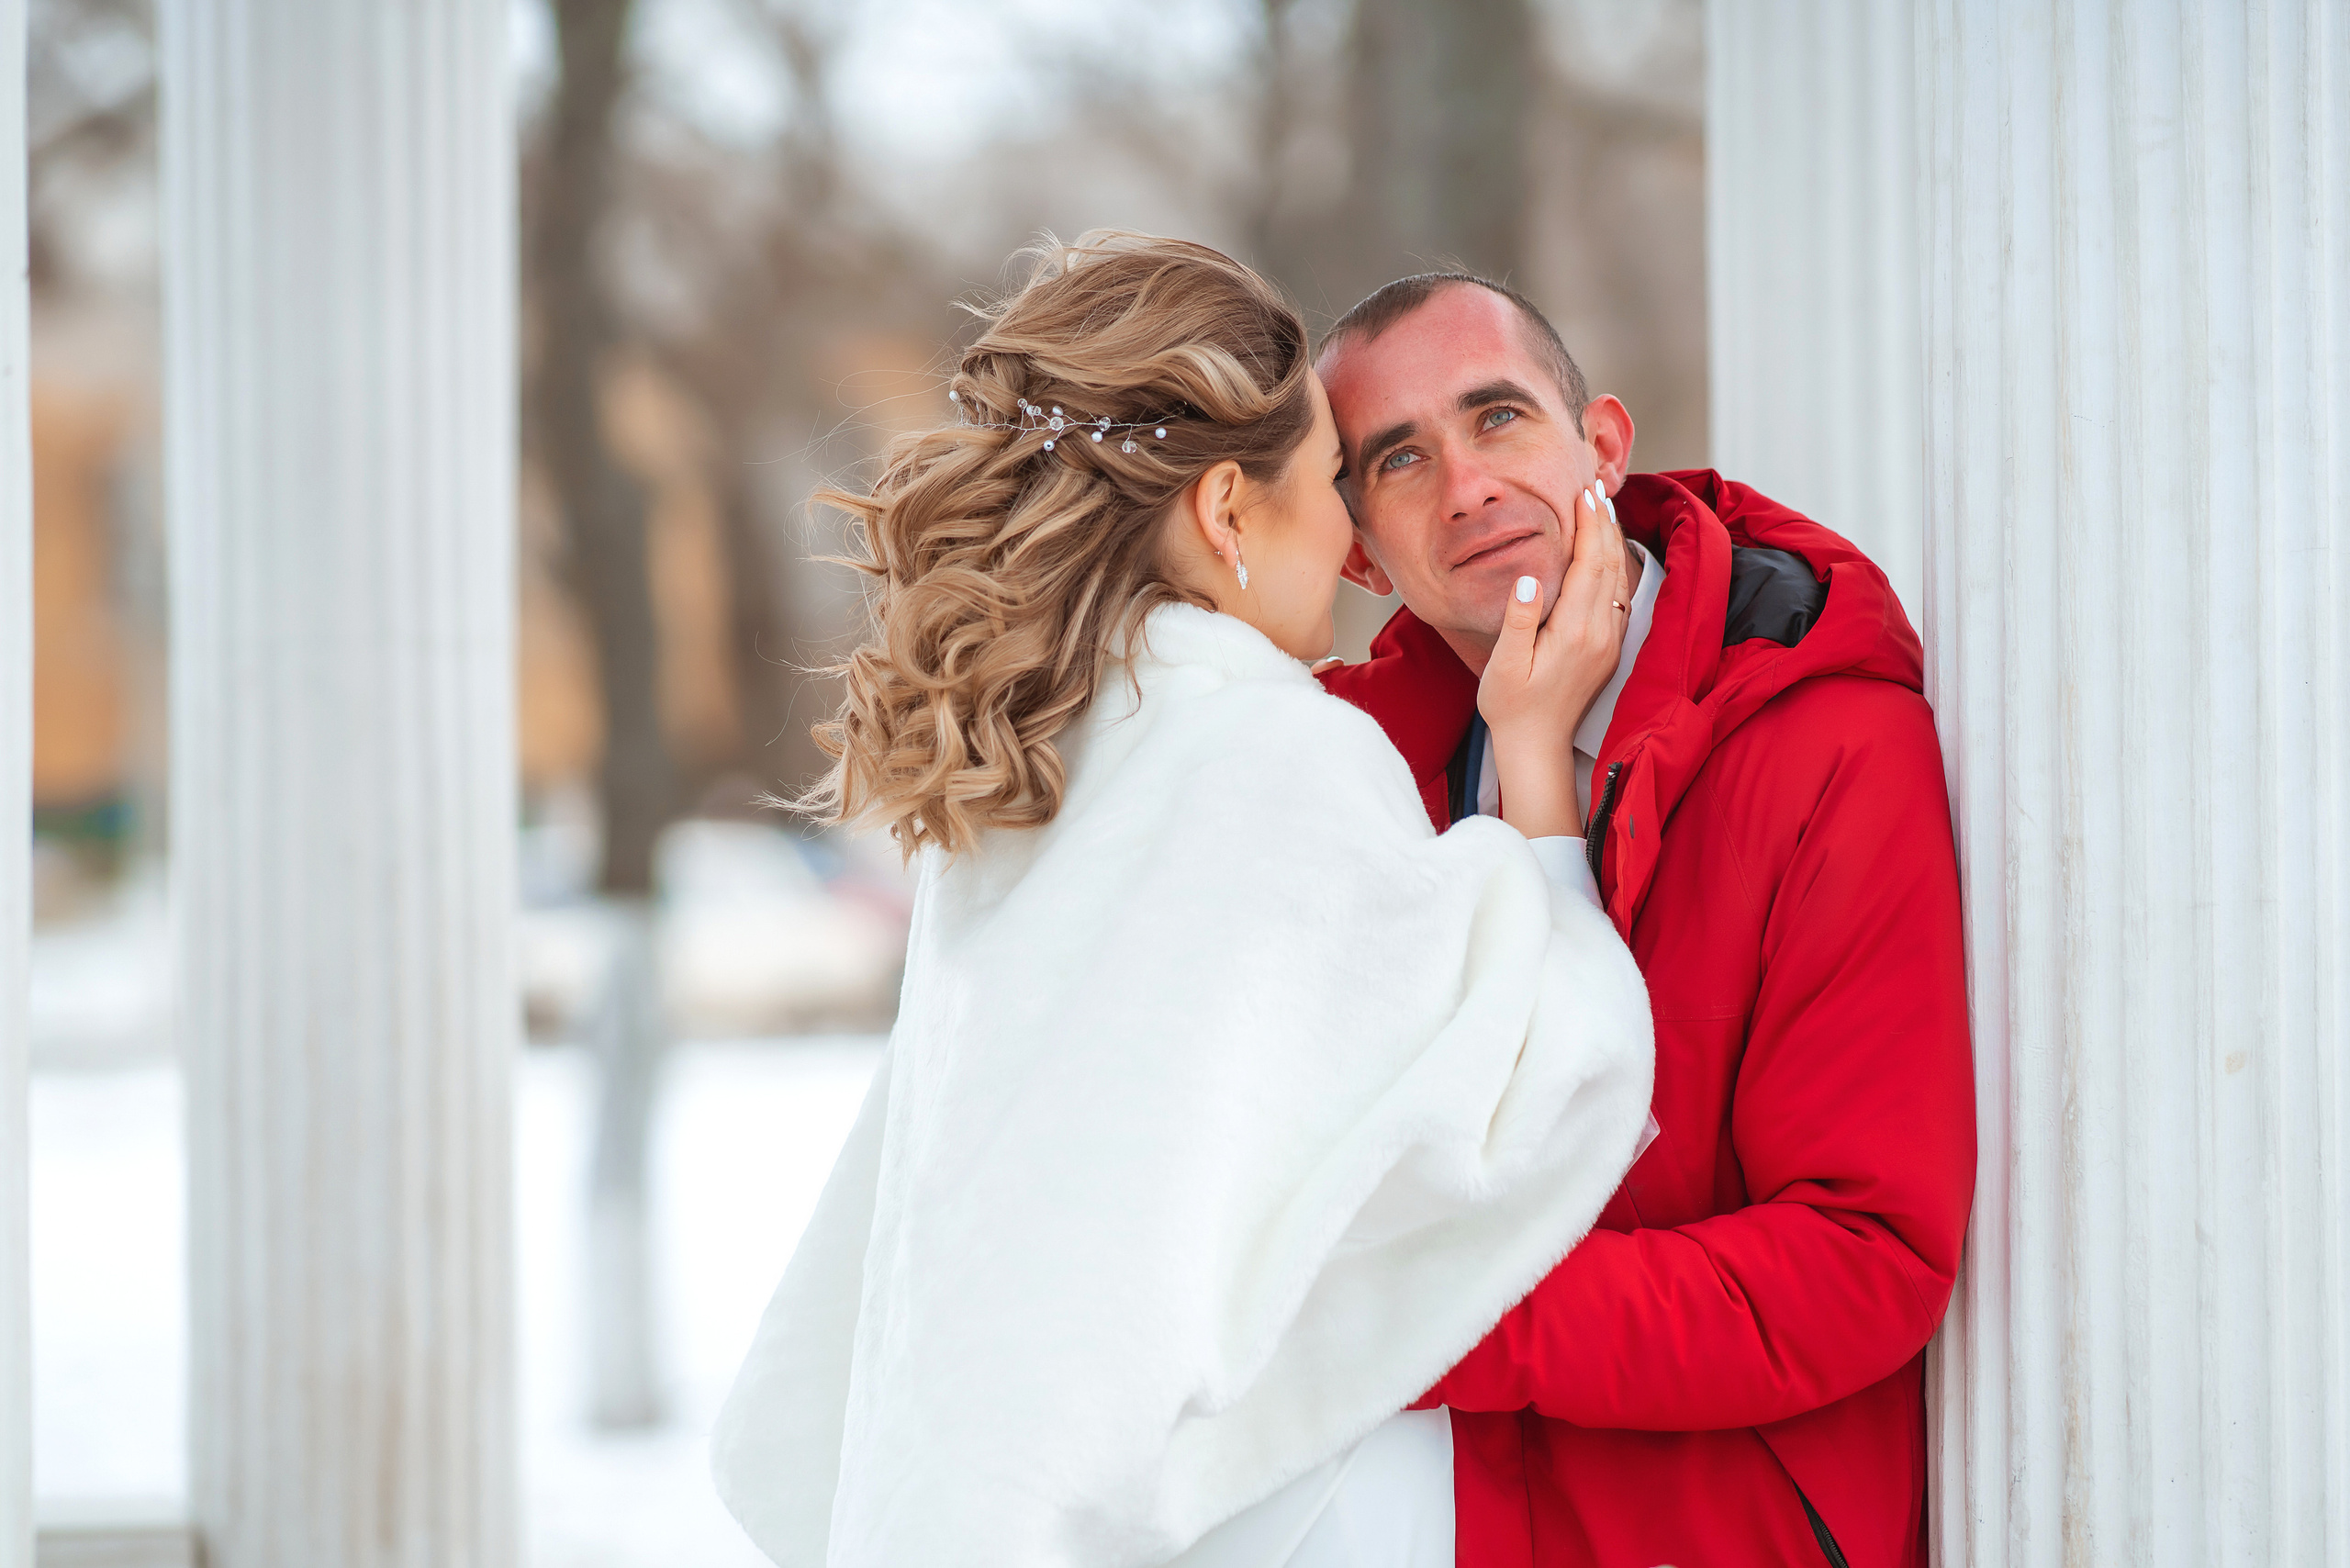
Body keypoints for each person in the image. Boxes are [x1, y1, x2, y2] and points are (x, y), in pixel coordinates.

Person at [710, 234, 1656, 1568]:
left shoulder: (1030, 773)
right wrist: (1537, 762)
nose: (1351, 539)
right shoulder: (1270, 753)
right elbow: (1545, 1090)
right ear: (1226, 513)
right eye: (1338, 477)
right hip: (1264, 1505)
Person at [1312, 272, 1976, 1568]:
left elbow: (1863, 1259)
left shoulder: (1825, 744)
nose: (1464, 486)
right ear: (1358, 551)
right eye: (1401, 457)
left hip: (1712, 1519)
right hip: (1439, 1490)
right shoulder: (1357, 784)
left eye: (1496, 417)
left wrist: (1428, 1311)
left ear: (1603, 447)